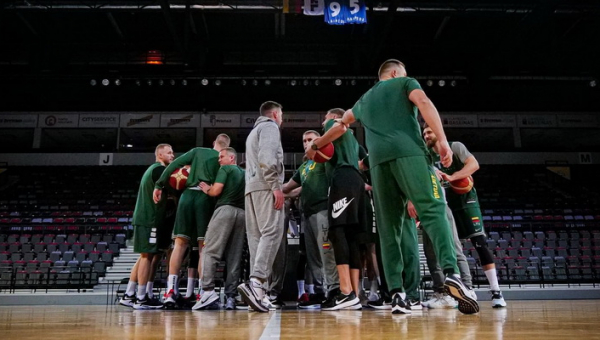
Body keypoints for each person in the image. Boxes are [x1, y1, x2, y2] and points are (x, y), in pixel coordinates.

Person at [307, 59, 479, 314]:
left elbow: (341, 125)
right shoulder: (405, 82)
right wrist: (442, 140)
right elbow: (423, 103)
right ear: (396, 73)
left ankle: (397, 293)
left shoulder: (363, 100)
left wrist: (317, 144)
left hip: (378, 164)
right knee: (433, 210)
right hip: (410, 154)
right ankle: (452, 273)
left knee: (388, 229)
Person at [423, 124, 507, 308]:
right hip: (446, 203)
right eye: (424, 133)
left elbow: (474, 164)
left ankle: (495, 291)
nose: (426, 136)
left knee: (480, 243)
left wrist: (452, 177)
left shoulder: (455, 147)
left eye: (429, 132)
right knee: (453, 246)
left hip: (466, 201)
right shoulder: (427, 155)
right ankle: (452, 292)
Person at [153, 134, 230, 308]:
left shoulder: (198, 151)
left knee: (179, 245)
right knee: (204, 248)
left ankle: (170, 292)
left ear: (213, 143)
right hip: (206, 198)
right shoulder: (223, 161)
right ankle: (204, 292)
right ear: (226, 147)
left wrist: (159, 184)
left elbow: (174, 165)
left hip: (187, 197)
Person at [312, 108, 365, 311]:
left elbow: (339, 127)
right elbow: (365, 162)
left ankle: (345, 292)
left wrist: (316, 145)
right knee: (351, 235)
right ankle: (354, 293)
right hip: (356, 180)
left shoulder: (333, 124)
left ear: (333, 117)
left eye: (325, 117)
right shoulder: (354, 140)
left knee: (337, 231)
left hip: (342, 178)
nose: (323, 121)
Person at [237, 101, 285, 313]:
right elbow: (267, 158)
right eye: (281, 115)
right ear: (275, 114)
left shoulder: (253, 131)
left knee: (256, 238)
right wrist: (276, 186)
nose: (282, 119)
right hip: (266, 186)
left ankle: (259, 292)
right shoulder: (270, 127)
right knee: (271, 232)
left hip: (251, 188)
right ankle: (257, 283)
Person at [282, 130, 340, 309]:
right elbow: (289, 189)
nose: (306, 143)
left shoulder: (324, 161)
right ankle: (320, 291)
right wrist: (271, 190)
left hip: (323, 210)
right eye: (304, 140)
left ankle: (334, 290)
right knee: (313, 256)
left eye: (310, 140)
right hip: (306, 215)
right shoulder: (304, 167)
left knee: (326, 252)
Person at [119, 143, 174, 309]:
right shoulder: (159, 170)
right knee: (146, 256)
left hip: (148, 218)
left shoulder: (153, 170)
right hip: (149, 219)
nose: (173, 155)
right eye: (169, 153)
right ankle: (141, 297)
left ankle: (130, 294)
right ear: (159, 155)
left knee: (146, 255)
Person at [192, 147, 246, 310]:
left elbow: (216, 191)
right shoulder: (244, 173)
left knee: (210, 251)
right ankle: (231, 297)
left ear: (232, 158)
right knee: (234, 257)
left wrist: (206, 188)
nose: (219, 160)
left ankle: (208, 291)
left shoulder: (226, 169)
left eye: (222, 157)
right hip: (242, 214)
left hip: (224, 211)